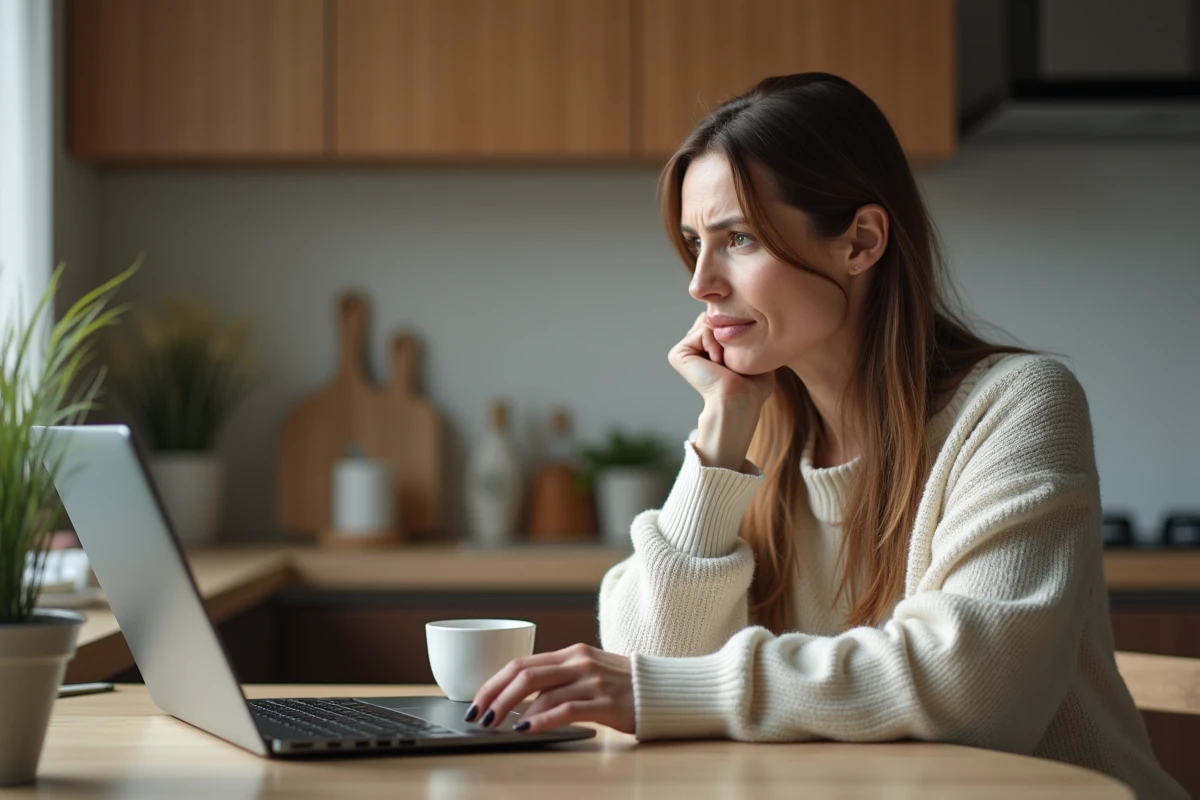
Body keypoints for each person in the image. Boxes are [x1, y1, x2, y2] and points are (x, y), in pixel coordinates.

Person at [464, 73, 1188, 800]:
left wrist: (675, 690)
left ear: (862, 241)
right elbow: (649, 660)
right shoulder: (758, 438)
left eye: (738, 238)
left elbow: (971, 693)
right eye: (694, 243)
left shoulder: (1017, 407)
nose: (701, 284)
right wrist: (719, 437)